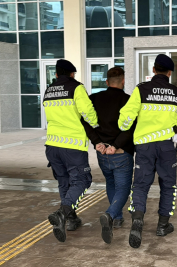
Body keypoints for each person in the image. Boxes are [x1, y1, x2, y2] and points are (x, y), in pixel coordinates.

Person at [118, 54, 177, 249]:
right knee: (168, 185)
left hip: (145, 146)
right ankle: (163, 225)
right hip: (167, 146)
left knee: (140, 184)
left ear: (154, 70)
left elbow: (126, 118)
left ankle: (137, 219)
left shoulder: (141, 90)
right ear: (169, 73)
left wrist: (125, 127)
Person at [44, 59, 99, 243]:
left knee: (64, 182)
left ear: (57, 74)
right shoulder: (76, 88)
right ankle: (62, 213)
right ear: (72, 74)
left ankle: (71, 220)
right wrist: (98, 127)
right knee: (82, 180)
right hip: (72, 146)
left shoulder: (49, 90)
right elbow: (88, 111)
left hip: (52, 145)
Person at [81, 67, 135, 244]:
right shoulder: (128, 101)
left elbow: (85, 121)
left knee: (111, 183)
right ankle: (111, 215)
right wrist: (116, 145)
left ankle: (117, 217)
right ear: (123, 81)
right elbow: (131, 128)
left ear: (106, 82)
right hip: (120, 153)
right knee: (123, 188)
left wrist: (97, 142)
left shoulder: (94, 98)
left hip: (102, 153)